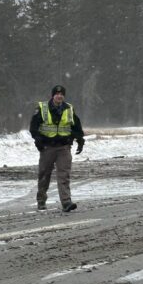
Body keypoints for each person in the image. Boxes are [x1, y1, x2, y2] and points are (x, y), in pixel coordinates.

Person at [30, 84, 85, 212]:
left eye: (61, 94)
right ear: (53, 95)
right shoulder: (42, 108)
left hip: (64, 147)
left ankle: (66, 202)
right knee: (44, 175)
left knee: (64, 175)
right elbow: (33, 127)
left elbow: (76, 127)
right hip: (47, 147)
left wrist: (80, 139)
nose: (59, 96)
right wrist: (37, 140)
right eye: (57, 94)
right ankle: (41, 200)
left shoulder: (69, 109)